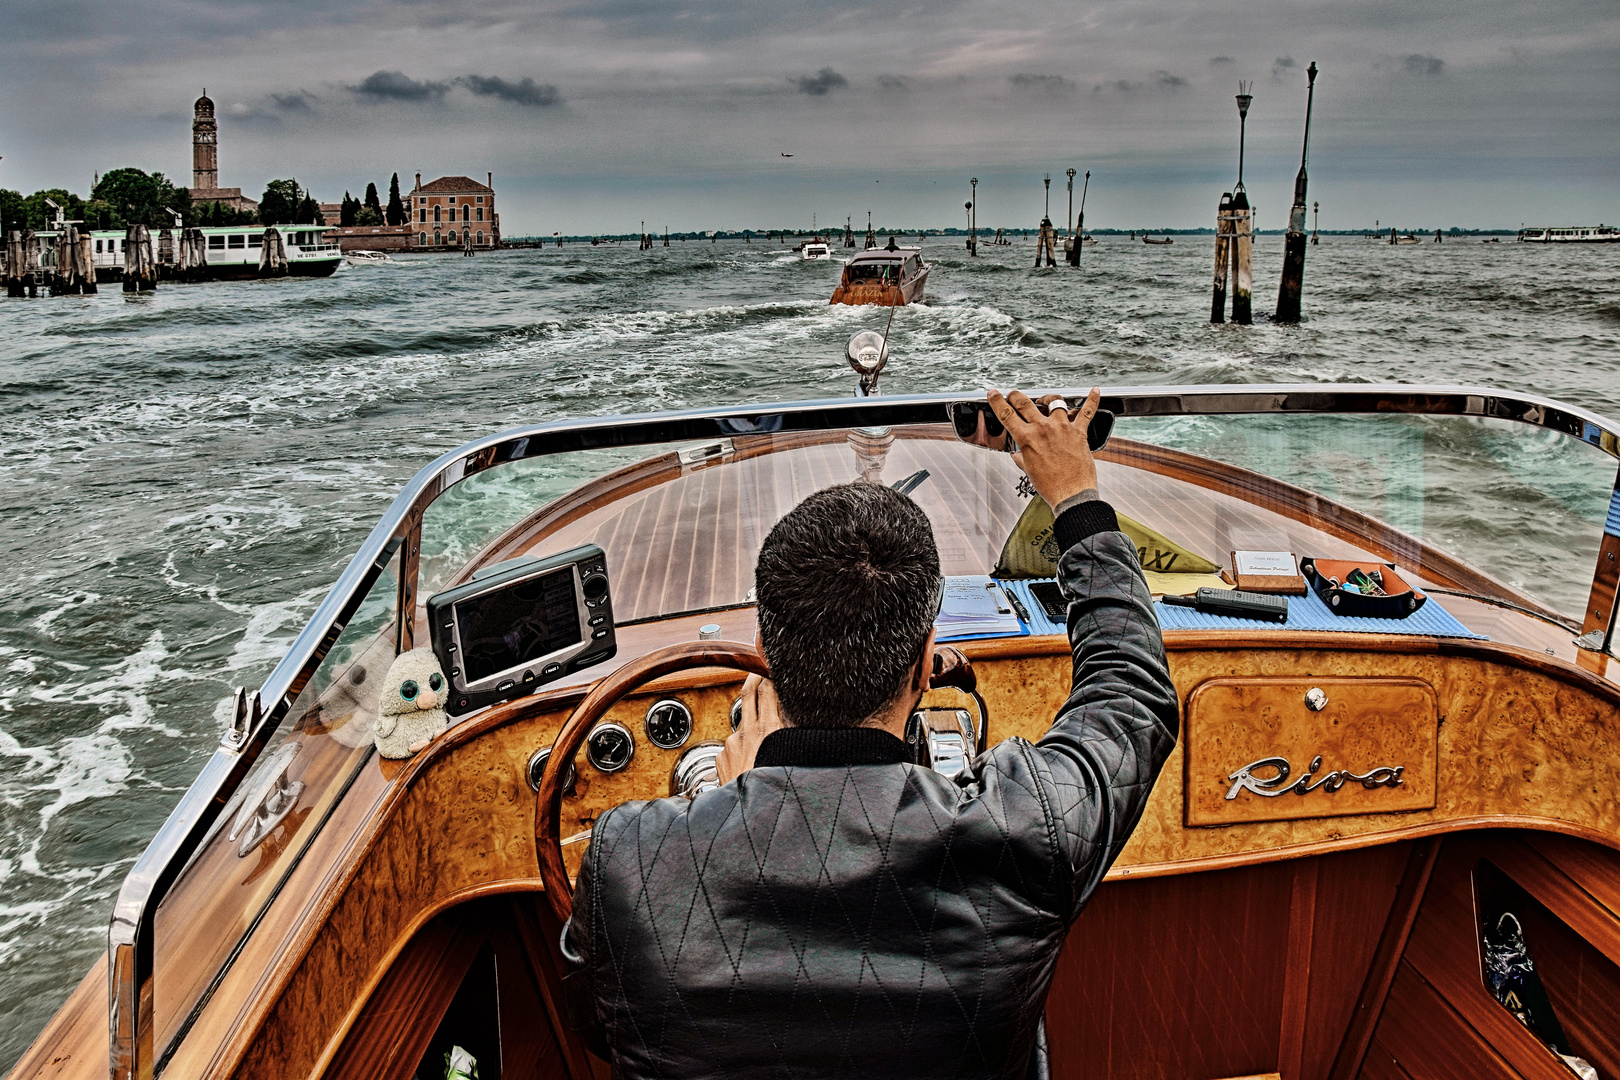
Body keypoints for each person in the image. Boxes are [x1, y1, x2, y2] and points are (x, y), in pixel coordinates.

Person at [561, 388, 1180, 1079]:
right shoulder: (1025, 828)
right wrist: (1076, 497)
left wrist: (724, 813)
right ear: (924, 665)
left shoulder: (629, 856)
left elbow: (599, 1021)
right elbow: (1131, 698)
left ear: (765, 648)